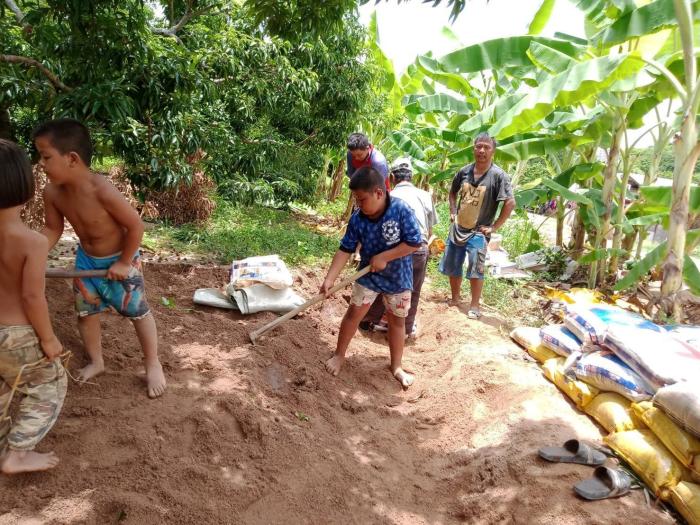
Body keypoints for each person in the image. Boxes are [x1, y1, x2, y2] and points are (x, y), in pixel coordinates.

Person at [34, 119, 166, 398]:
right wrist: (34, 253)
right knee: (86, 313)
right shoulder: (52, 193)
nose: (41, 164)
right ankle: (97, 361)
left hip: (121, 257)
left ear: (72, 159)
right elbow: (53, 229)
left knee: (137, 312)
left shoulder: (101, 189)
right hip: (86, 261)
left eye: (46, 157)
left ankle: (152, 362)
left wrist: (123, 262)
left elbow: (135, 227)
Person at [320, 166, 422, 389]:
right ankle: (339, 355)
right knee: (354, 314)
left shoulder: (401, 210)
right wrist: (330, 279)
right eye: (356, 200)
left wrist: (386, 256)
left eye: (362, 199)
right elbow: (345, 249)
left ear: (379, 192)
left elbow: (415, 242)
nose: (359, 205)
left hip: (398, 277)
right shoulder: (358, 218)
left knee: (397, 321)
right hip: (369, 275)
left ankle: (396, 366)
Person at [0, 139, 67, 474]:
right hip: (17, 334)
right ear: (26, 189)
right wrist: (49, 339)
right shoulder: (33, 242)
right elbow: (31, 298)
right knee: (49, 383)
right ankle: (18, 453)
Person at [439, 133, 515, 319]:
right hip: (458, 227)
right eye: (478, 146)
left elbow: (510, 202)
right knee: (453, 263)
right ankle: (455, 298)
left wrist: (494, 227)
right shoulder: (464, 171)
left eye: (486, 147)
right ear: (473, 148)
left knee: (476, 267)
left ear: (493, 151)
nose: (481, 150)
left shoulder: (498, 176)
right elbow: (452, 193)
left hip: (478, 231)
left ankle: (474, 305)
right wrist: (452, 212)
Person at [360, 157, 438, 338]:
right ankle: (406, 329)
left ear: (392, 177)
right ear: (411, 176)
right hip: (418, 248)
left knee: (381, 283)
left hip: (394, 248)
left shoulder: (388, 196)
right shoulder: (425, 195)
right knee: (413, 289)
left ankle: (369, 320)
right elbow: (429, 229)